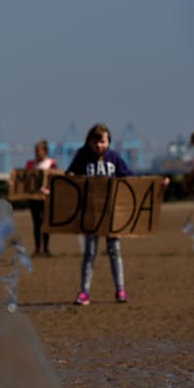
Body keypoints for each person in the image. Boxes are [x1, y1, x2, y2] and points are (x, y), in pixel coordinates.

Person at [66, 123, 167, 306]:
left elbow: (130, 179)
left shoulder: (114, 158)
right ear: (89, 142)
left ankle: (120, 289)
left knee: (114, 251)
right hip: (91, 215)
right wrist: (54, 188)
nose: (99, 146)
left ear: (109, 142)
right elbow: (69, 179)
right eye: (95, 142)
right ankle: (84, 291)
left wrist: (157, 183)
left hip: (112, 215)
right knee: (89, 253)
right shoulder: (82, 157)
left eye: (103, 142)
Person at [26, 140, 57, 257]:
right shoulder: (31, 165)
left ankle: (46, 248)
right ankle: (38, 248)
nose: (37, 153)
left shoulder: (51, 164)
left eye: (39, 151)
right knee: (36, 223)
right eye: (36, 151)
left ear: (45, 151)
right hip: (34, 199)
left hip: (46, 199)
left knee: (45, 223)